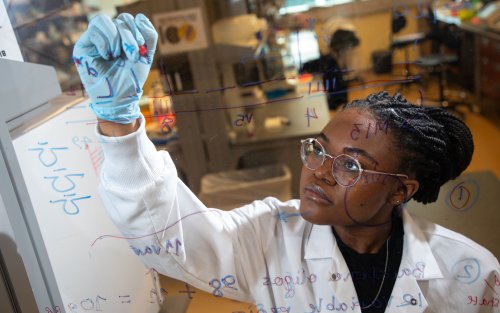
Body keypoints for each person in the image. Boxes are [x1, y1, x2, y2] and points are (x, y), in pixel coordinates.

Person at [73, 14, 499, 313]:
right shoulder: (267, 237)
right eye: (318, 149)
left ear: (401, 189)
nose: (317, 170)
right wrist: (118, 122)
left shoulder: (470, 272)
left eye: (350, 167)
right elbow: (169, 242)